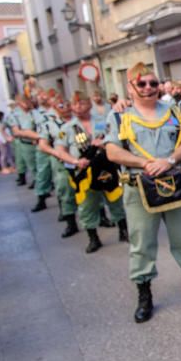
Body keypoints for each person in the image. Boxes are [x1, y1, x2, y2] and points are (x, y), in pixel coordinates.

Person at [104, 63, 181, 323]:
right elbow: (112, 151)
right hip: (139, 187)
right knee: (142, 243)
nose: (149, 88)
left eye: (153, 83)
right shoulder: (119, 117)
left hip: (173, 183)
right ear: (130, 87)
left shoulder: (173, 112)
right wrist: (144, 163)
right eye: (142, 84)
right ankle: (144, 295)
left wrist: (169, 160)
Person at [54, 91, 128, 253]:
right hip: (84, 171)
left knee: (115, 198)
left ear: (89, 104)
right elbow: (60, 150)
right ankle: (93, 238)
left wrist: (106, 144)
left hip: (105, 167)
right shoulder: (67, 128)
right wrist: (75, 161)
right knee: (87, 205)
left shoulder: (102, 121)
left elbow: (116, 138)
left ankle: (123, 230)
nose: (78, 107)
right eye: (75, 104)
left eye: (82, 103)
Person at [38, 98, 81, 239]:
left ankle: (100, 217)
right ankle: (71, 223)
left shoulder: (79, 121)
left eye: (69, 104)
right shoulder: (49, 125)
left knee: (91, 188)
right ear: (55, 108)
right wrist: (57, 153)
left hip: (82, 161)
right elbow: (43, 145)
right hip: (61, 163)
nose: (66, 107)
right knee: (65, 190)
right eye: (62, 105)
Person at [30, 90, 57, 211]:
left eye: (45, 96)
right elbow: (30, 128)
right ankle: (41, 199)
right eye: (40, 96)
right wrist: (38, 138)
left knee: (60, 176)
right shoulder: (34, 113)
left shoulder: (57, 110)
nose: (42, 98)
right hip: (43, 145)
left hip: (58, 145)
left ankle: (65, 209)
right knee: (42, 173)